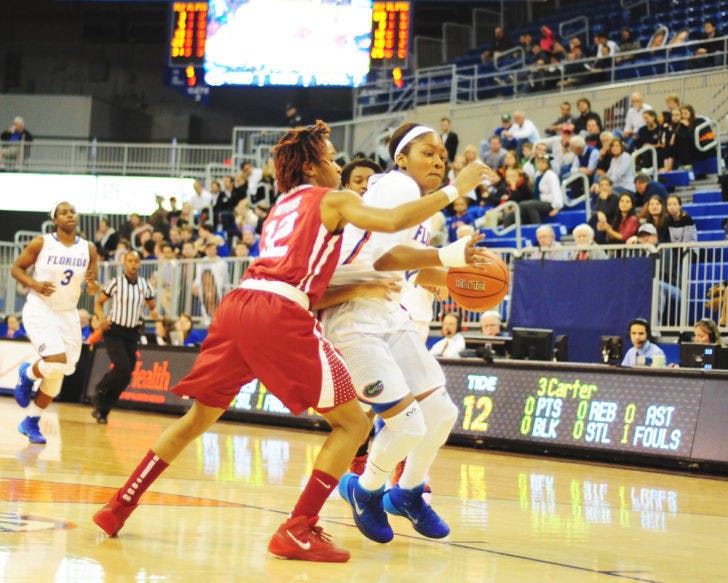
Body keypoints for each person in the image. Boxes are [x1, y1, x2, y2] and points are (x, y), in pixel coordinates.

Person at [92, 120, 492, 562]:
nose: (340, 166)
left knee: (196, 420)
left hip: (238, 304)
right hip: (280, 313)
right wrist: (458, 189)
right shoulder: (335, 198)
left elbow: (317, 269)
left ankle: (118, 507)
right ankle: (299, 528)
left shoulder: (282, 206)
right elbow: (392, 222)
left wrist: (367, 283)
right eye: (333, 159)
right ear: (313, 165)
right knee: (353, 424)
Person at [320, 122, 496, 545]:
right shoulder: (396, 186)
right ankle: (365, 491)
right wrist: (451, 234)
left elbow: (407, 265)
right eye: (428, 153)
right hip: (352, 315)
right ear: (401, 158)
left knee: (443, 413)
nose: (438, 160)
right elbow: (381, 259)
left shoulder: (417, 204)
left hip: (388, 312)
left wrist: (460, 270)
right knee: (409, 424)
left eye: (442, 156)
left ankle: (408, 492)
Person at [11, 202, 100, 444]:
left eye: (72, 211)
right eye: (64, 212)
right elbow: (16, 268)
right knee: (55, 361)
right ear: (55, 220)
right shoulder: (42, 243)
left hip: (67, 313)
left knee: (62, 371)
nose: (70, 215)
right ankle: (27, 373)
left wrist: (93, 286)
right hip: (41, 309)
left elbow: (93, 287)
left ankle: (30, 421)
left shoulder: (88, 249)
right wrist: (35, 284)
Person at [91, 250, 156, 424]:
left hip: (132, 333)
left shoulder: (145, 285)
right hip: (114, 331)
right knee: (123, 367)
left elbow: (152, 305)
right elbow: (99, 302)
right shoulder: (116, 283)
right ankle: (101, 388)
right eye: (130, 261)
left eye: (136, 261)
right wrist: (101, 318)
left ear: (140, 264)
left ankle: (103, 409)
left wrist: (155, 314)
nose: (133, 264)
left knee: (126, 375)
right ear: (124, 263)